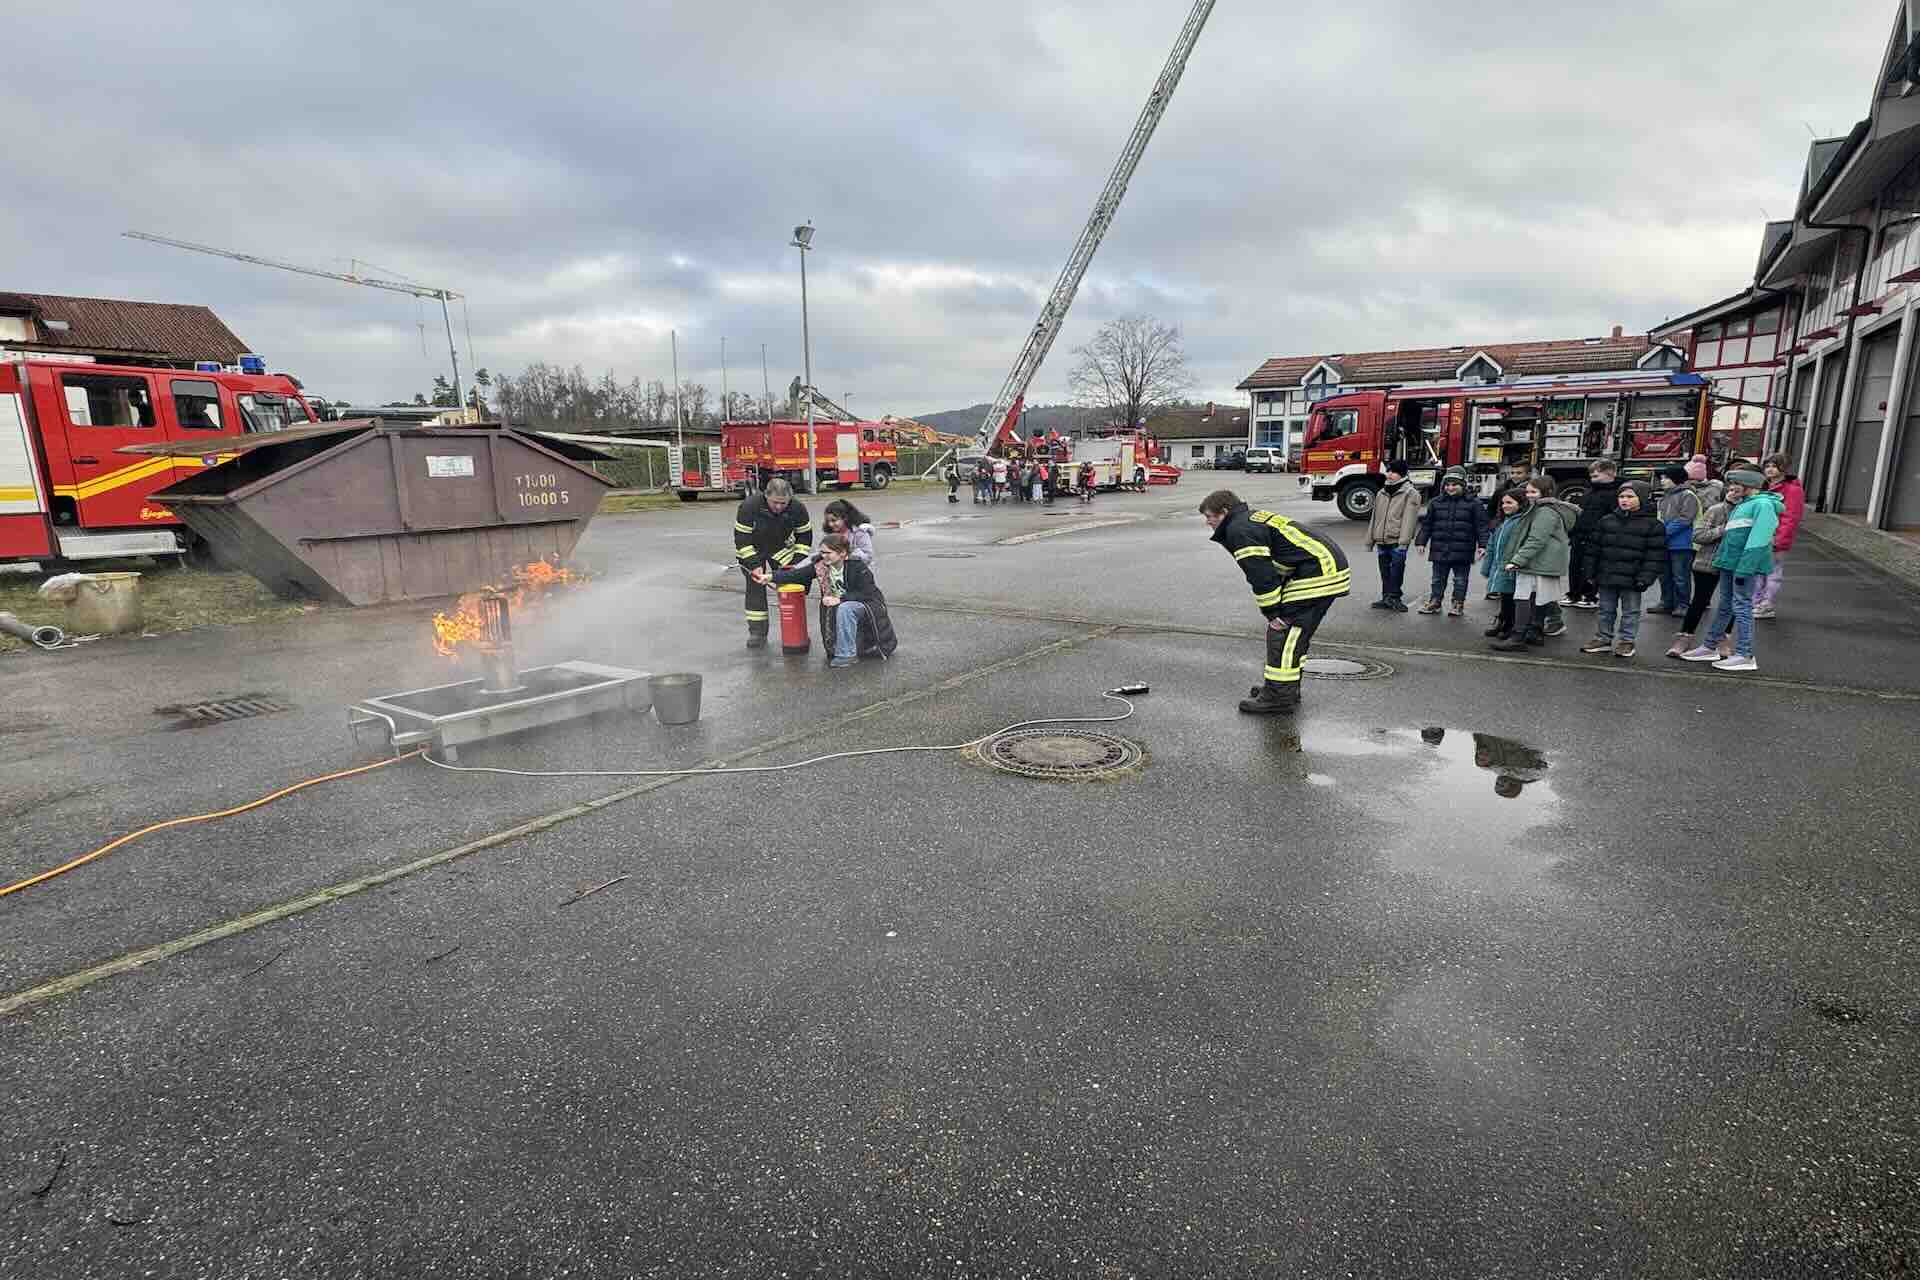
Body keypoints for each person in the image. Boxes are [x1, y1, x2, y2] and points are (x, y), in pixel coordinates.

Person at [1200, 488, 1351, 715]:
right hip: (1320, 567)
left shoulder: (1239, 530)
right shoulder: (1249, 519)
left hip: (1318, 573)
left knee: (1283, 633)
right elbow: (1278, 563)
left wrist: (1272, 613)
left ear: (1224, 512)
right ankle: (1285, 690)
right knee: (1294, 636)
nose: (1207, 523)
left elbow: (1261, 576)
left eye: (1209, 517)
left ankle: (1279, 698)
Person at [1679, 468, 1781, 672]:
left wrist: (1745, 568)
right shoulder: (1745, 504)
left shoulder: (1762, 504)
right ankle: (1709, 646)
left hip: (1741, 567)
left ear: (1749, 485)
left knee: (1742, 607)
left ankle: (1745, 654)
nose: (1731, 488)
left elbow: (1759, 540)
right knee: (1726, 605)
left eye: (1735, 484)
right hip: (1729, 564)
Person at [761, 534, 896, 668]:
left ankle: (847, 655)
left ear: (842, 553)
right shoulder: (821, 566)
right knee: (836, 606)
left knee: (845, 608)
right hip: (841, 604)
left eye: (828, 553)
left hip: (868, 604)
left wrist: (840, 599)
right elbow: (796, 574)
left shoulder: (857, 566)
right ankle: (841, 648)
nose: (824, 556)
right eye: (822, 552)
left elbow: (867, 593)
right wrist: (771, 577)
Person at [1578, 479, 1667, 659]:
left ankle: (1627, 641)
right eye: (1621, 496)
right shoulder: (1607, 521)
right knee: (1605, 609)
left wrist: (1645, 577)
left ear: (1641, 498)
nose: (1624, 500)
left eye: (1630, 496)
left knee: (1631, 611)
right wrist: (1590, 571)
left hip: (1633, 578)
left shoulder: (1653, 525)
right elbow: (1594, 549)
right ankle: (1603, 638)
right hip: (1606, 575)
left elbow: (1655, 555)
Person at [1490, 474, 1577, 651]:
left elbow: (1536, 540)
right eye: (1527, 491)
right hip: (1541, 562)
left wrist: (1517, 560)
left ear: (1546, 492)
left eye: (1533, 492)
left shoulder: (1544, 511)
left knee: (1523, 597)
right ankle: (1532, 633)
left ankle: (1518, 637)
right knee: (1538, 598)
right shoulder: (1542, 508)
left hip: (1537, 562)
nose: (1528, 495)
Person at [731, 477, 812, 650]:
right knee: (755, 587)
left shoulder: (797, 508)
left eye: (783, 503)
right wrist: (754, 565)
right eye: (775, 502)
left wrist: (796, 564)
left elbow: (805, 537)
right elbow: (742, 539)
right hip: (753, 549)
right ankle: (757, 633)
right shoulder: (749, 507)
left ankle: (797, 631)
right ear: (766, 496)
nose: (779, 507)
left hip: (780, 548)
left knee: (792, 584)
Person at [1667, 481, 1733, 658]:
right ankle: (1684, 637)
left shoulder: (1749, 512)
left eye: (1738, 490)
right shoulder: (1716, 510)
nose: (1734, 493)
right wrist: (1722, 530)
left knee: (1730, 604)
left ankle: (1723, 639)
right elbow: (1698, 536)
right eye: (1731, 489)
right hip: (1708, 562)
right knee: (1699, 601)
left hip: (1734, 563)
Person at [1415, 467, 1487, 617]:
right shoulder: (1436, 503)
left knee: (1460, 580)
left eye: (1455, 484)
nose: (1450, 488)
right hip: (1440, 548)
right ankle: (1435, 601)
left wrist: (1483, 545)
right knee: (1437, 579)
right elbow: (1427, 524)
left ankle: (1457, 603)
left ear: (1463, 485)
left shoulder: (1474, 504)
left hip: (1463, 549)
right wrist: (1421, 541)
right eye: (1447, 485)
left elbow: (1481, 526)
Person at [1364, 459, 1422, 612]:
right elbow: (1374, 518)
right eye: (1388, 471)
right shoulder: (1381, 492)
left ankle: (1395, 597)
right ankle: (1386, 597)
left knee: (1396, 570)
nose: (1389, 474)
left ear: (1401, 474)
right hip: (1381, 540)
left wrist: (1403, 542)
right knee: (1385, 571)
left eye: (1393, 472)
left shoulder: (1410, 493)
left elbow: (1409, 520)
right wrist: (1370, 540)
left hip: (1397, 540)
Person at [1754, 453, 1805, 620]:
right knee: (1758, 571)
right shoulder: (1764, 487)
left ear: (1783, 468)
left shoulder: (1792, 490)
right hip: (1759, 536)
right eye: (1767, 466)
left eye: (1774, 466)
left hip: (1775, 538)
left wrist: (1779, 539)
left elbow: (1790, 517)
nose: (1769, 469)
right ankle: (1756, 601)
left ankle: (1767, 604)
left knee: (1772, 572)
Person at [1564, 459, 1621, 608]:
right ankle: (1574, 594)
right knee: (1575, 565)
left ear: (1610, 474)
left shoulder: (1614, 493)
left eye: (1596, 476)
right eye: (1592, 476)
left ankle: (1589, 596)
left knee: (1591, 568)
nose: (1593, 479)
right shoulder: (1590, 491)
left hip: (1597, 536)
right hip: (1580, 534)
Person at [1649, 465, 1701, 617]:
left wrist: (1663, 532)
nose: (1662, 481)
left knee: (1680, 576)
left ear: (1676, 479)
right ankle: (1667, 602)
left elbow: (1685, 519)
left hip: (1682, 544)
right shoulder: (1665, 497)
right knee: (1664, 576)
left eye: (1666, 477)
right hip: (1665, 543)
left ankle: (1683, 605)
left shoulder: (1688, 495)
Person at [1480, 490, 1529, 640]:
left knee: (1511, 597)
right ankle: (1503, 621)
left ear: (1520, 504)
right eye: (1503, 503)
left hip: (1511, 567)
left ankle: (1510, 625)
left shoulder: (1520, 522)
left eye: (1509, 503)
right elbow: (1492, 544)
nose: (1504, 506)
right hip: (1500, 566)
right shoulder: (1503, 521)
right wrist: (1487, 566)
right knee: (1505, 596)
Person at [1487, 460, 1533, 524]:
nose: (1514, 476)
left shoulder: (1532, 492)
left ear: (1529, 474)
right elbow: (1491, 510)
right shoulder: (1501, 490)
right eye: (1512, 473)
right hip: (1501, 525)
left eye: (1519, 473)